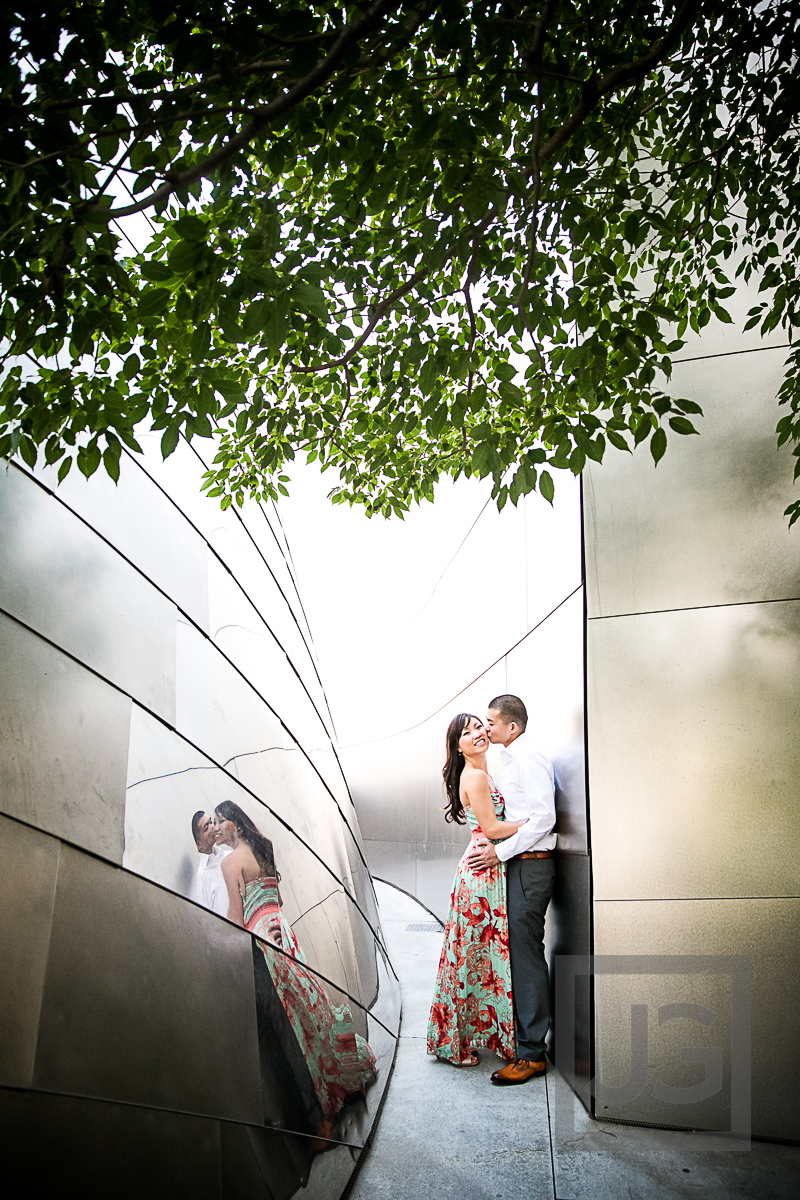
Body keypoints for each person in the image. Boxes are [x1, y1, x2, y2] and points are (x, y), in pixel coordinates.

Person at [215, 800, 376, 1128]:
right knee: (309, 1013)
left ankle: (320, 1118)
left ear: (237, 825)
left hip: (262, 943)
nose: (216, 827)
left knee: (290, 1028)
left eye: (221, 821)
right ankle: (342, 1081)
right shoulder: (266, 848)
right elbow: (277, 899)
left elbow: (235, 918)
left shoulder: (230, 863)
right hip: (283, 933)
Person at [426, 713, 528, 1067]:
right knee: (472, 956)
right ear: (457, 747)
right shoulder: (475, 776)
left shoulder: (481, 773)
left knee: (473, 955)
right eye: (465, 733)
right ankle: (455, 1045)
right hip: (481, 873)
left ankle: (462, 1037)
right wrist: (534, 825)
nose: (476, 734)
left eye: (477, 727)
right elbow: (493, 828)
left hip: (484, 868)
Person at [467, 694, 556, 1086]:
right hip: (520, 865)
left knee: (525, 958)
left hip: (531, 867)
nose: (486, 727)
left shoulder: (529, 760)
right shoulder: (512, 760)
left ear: (512, 727)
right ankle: (525, 1045)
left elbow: (542, 820)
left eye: (491, 721)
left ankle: (533, 1055)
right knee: (518, 955)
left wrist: (498, 852)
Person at [189, 809, 232, 916]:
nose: (212, 827)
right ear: (199, 845)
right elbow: (207, 919)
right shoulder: (203, 876)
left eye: (211, 822)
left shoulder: (228, 855)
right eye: (206, 827)